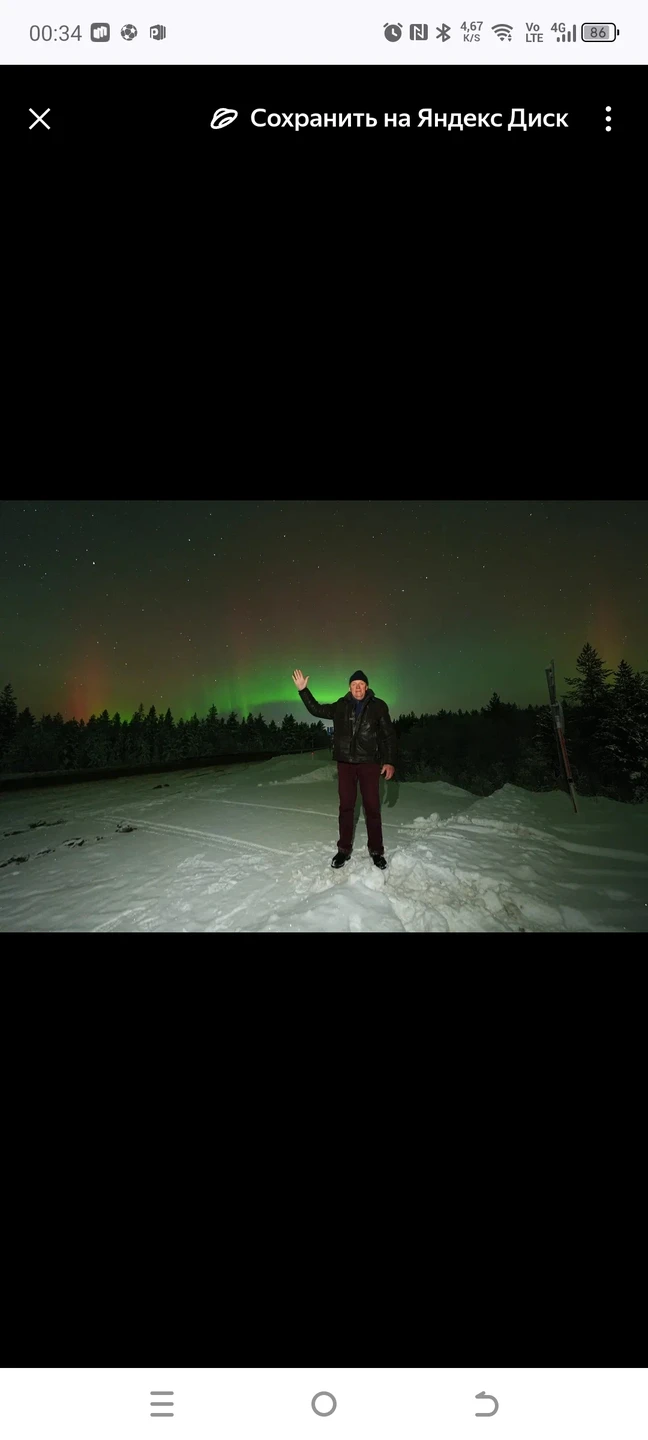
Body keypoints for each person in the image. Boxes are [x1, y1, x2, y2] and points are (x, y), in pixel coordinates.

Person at [292, 667, 397, 869]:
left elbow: (389, 735)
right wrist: (303, 690)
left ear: (367, 686)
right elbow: (317, 710)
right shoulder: (341, 706)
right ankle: (343, 850)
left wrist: (390, 761)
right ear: (349, 687)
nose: (358, 688)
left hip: (369, 763)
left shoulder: (378, 707)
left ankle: (376, 851)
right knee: (346, 807)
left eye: (361, 685)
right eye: (354, 685)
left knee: (372, 808)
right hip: (346, 764)